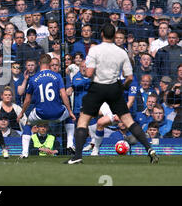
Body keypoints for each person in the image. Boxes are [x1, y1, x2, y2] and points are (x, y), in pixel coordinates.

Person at [66, 23, 159, 164]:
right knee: (129, 121)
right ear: (114, 36)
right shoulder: (121, 52)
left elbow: (89, 73)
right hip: (114, 88)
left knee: (83, 120)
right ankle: (150, 150)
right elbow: (129, 78)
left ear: (102, 34)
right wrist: (121, 88)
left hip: (98, 87)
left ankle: (77, 156)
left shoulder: (94, 50)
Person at [17, 54, 76, 158]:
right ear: (49, 64)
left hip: (41, 114)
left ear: (39, 64)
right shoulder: (57, 76)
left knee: (28, 124)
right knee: (69, 118)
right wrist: (70, 111)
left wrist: (22, 113)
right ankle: (70, 144)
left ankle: (25, 153)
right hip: (58, 113)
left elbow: (27, 100)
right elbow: (63, 94)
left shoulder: (33, 78)